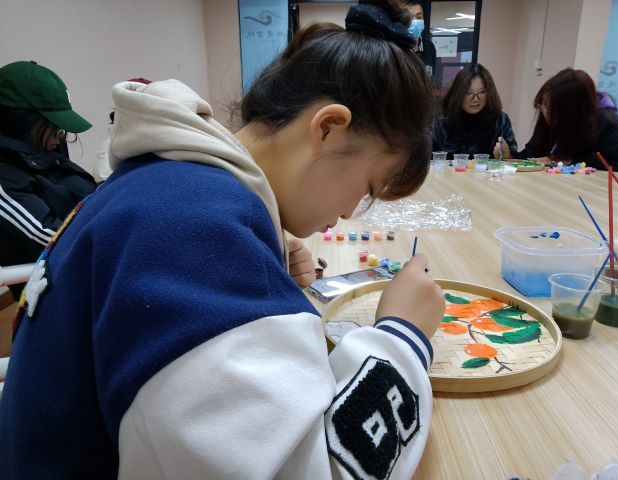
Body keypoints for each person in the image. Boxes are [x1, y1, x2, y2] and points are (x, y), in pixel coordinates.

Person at [0, 1, 445, 478]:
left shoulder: (172, 185)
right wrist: (402, 335)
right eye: (368, 187)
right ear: (328, 129)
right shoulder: (192, 234)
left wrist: (262, 257)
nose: (350, 211)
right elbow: (309, 469)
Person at [0, 60, 97, 300]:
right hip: (61, 294)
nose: (61, 137)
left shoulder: (43, 152)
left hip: (90, 272)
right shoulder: (7, 175)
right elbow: (51, 239)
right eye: (55, 128)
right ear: (22, 123)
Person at [518, 68, 618, 173]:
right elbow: (530, 155)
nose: (544, 111)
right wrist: (511, 155)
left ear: (572, 111)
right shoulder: (548, 122)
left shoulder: (606, 122)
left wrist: (573, 161)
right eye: (542, 105)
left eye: (550, 108)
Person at [432, 63, 518, 159]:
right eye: (468, 93)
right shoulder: (441, 120)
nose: (475, 99)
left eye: (482, 92)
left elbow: (513, 159)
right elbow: (425, 158)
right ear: (458, 93)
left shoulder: (500, 120)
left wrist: (507, 155)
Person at [406, 0, 436, 72]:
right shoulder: (396, 48)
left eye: (419, 17)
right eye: (410, 18)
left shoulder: (429, 47)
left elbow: (432, 74)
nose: (415, 21)